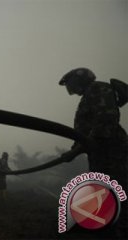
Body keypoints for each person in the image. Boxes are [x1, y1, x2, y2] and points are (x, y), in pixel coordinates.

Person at [59, 67, 127, 237]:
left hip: (112, 154)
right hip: (100, 155)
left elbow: (105, 123)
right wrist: (74, 149)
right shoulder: (89, 95)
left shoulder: (98, 89)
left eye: (70, 84)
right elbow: (84, 132)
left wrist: (76, 152)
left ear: (79, 79)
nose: (70, 89)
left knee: (118, 193)